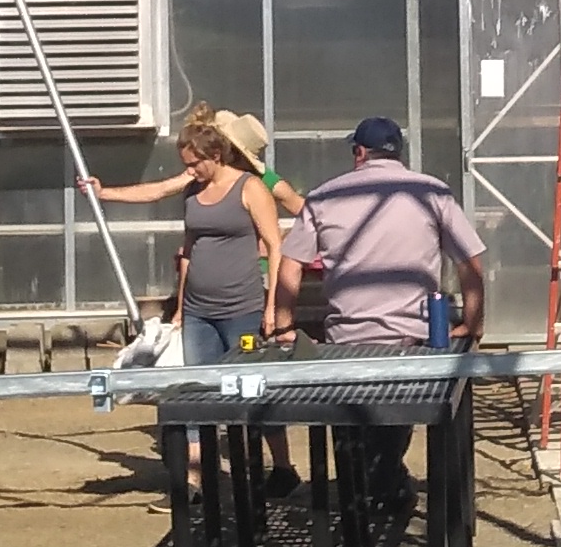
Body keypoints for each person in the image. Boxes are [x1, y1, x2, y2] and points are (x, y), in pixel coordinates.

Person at [83, 106, 289, 365]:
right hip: (198, 311)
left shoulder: (251, 187)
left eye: (194, 164)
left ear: (215, 155)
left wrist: (273, 307)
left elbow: (275, 246)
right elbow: (186, 246)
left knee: (243, 380)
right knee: (198, 385)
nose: (190, 171)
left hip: (241, 309)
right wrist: (103, 193)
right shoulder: (192, 190)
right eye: (185, 165)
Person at [274, 119, 486, 355]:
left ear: (360, 152)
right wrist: (472, 323)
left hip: (346, 342)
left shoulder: (323, 196)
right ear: (398, 154)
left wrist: (284, 327)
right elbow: (469, 261)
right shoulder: (433, 192)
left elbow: (290, 265)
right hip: (421, 341)